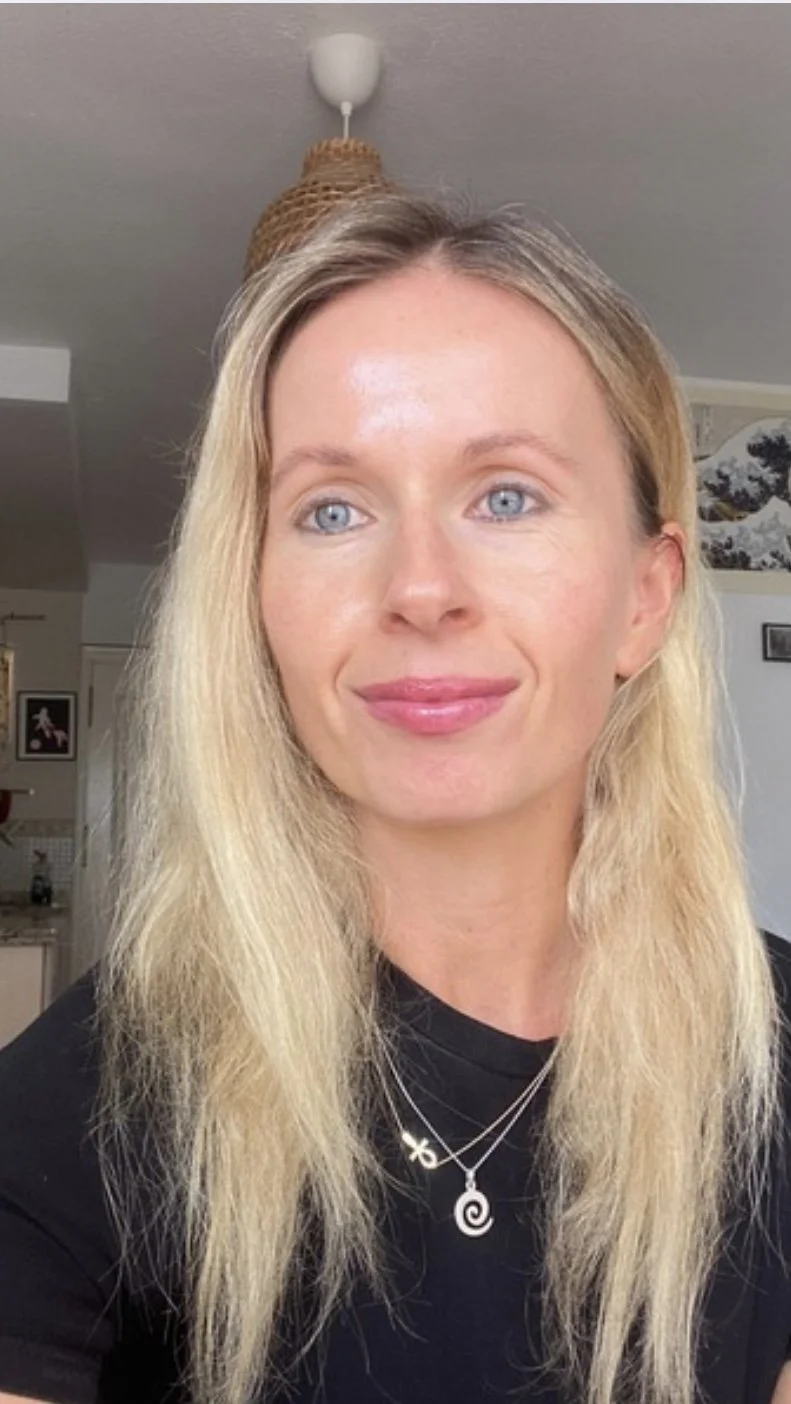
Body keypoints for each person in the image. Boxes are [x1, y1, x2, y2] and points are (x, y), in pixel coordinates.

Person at [0, 192, 790, 1404]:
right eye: (331, 509)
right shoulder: (87, 1100)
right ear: (254, 602)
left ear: (644, 597)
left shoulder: (770, 1063)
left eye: (506, 495)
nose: (419, 587)